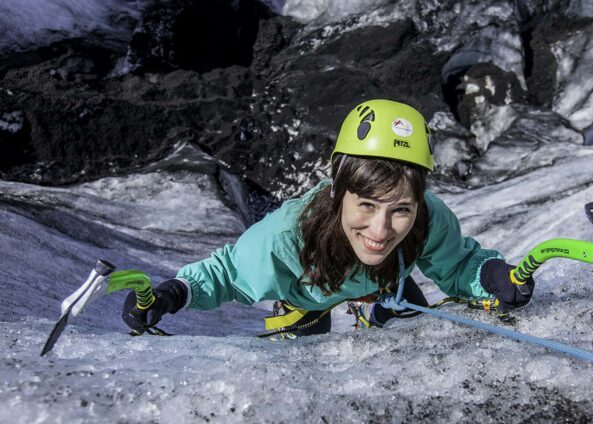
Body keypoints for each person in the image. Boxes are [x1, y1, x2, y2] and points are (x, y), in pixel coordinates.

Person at [122, 99, 534, 336]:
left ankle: (369, 306)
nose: (380, 230)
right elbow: (229, 273)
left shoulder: (428, 217)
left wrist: (492, 275)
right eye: (367, 205)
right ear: (337, 190)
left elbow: (458, 264)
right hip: (307, 299)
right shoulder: (288, 235)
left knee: (410, 343)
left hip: (384, 287)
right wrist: (174, 292)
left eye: (401, 210)